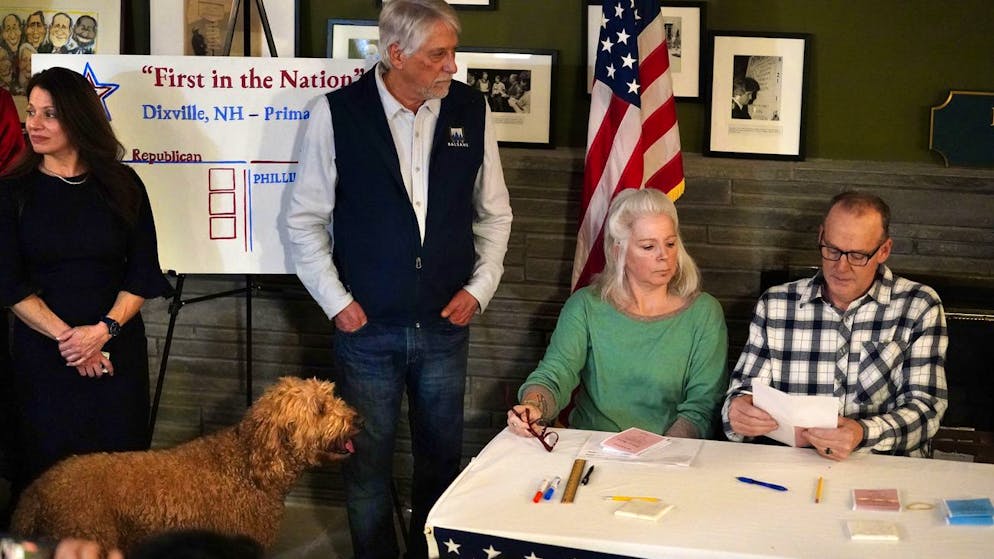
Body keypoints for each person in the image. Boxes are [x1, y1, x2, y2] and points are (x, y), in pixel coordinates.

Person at [284, 1, 512, 557]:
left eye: (451, 53)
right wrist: (338, 303)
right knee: (366, 467)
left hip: (444, 326)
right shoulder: (336, 113)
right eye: (439, 54)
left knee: (441, 462)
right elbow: (303, 221)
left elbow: (495, 214)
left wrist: (479, 290)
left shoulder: (470, 111)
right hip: (366, 332)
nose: (451, 66)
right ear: (395, 54)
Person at [0, 68, 172, 517]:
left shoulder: (123, 184)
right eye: (31, 112)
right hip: (44, 357)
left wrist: (102, 333)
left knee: (117, 476)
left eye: (49, 114)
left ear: (78, 118)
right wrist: (73, 342)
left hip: (117, 353)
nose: (33, 123)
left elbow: (142, 274)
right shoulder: (12, 193)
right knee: (43, 481)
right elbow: (10, 284)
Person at [722, 191, 948, 460]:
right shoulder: (777, 303)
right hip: (789, 465)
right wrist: (737, 411)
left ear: (884, 251)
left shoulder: (918, 305)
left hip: (882, 465)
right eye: (832, 250)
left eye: (857, 255)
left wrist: (862, 433)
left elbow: (927, 409)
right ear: (821, 238)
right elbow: (743, 392)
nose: (841, 267)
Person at [507, 188, 728, 440]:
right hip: (593, 448)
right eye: (648, 246)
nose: (664, 256)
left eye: (670, 243)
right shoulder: (586, 305)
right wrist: (534, 407)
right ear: (617, 251)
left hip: (673, 453)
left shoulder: (704, 312)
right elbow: (556, 373)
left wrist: (665, 453)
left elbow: (704, 404)